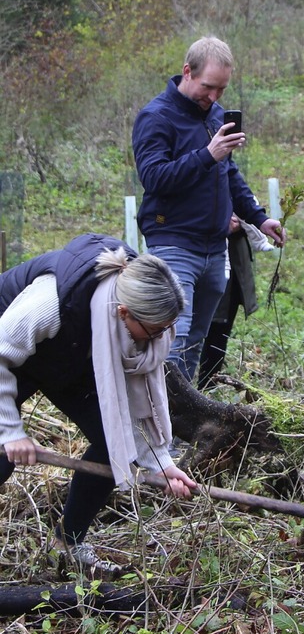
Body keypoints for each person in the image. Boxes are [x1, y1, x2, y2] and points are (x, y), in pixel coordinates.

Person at [0, 233, 197, 575]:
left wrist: (160, 463)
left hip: (67, 357)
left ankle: (68, 543)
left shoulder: (128, 324)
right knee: (1, 458)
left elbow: (131, 403)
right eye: (152, 332)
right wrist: (10, 431)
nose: (157, 343)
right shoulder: (51, 302)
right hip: (11, 352)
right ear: (124, 313)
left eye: (167, 330)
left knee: (113, 444)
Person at [132, 36, 286, 383]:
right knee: (174, 336)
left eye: (222, 89)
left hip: (214, 247)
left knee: (195, 339)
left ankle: (184, 424)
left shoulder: (215, 116)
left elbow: (229, 174)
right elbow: (154, 178)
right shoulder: (156, 117)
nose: (214, 97)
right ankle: (162, 429)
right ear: (188, 72)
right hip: (172, 239)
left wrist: (260, 218)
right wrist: (208, 154)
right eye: (208, 87)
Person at [197, 214, 273, 389]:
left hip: (233, 261)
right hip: (197, 256)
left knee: (219, 328)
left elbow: (245, 199)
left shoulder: (232, 187)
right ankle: (177, 391)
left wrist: (244, 217)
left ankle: (207, 389)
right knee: (187, 329)